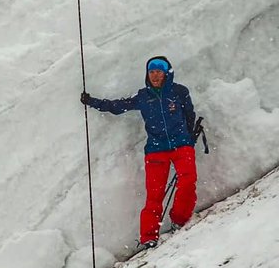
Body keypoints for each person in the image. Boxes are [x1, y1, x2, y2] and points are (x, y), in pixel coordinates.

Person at [81, 56, 197, 248]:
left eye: (159, 71)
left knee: (188, 181)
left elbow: (189, 114)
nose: (155, 75)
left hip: (181, 145)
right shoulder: (143, 96)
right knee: (154, 195)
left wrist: (189, 138)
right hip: (156, 150)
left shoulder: (179, 92)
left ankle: (180, 218)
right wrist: (92, 102)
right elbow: (117, 107)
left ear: (167, 73)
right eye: (151, 72)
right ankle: (149, 236)